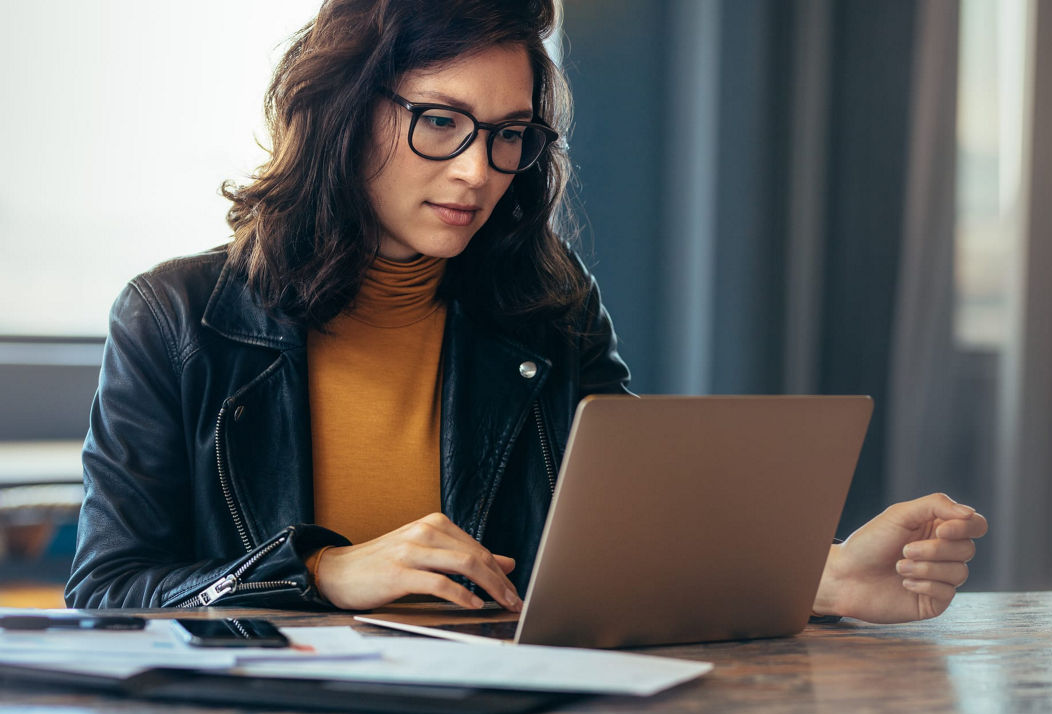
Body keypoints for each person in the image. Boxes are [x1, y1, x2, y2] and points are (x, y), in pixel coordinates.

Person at [65, 0, 987, 623]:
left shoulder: (547, 303)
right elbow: (107, 591)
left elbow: (630, 539)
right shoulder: (176, 318)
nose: (477, 170)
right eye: (440, 121)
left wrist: (820, 575)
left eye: (509, 134)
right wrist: (319, 574)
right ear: (343, 110)